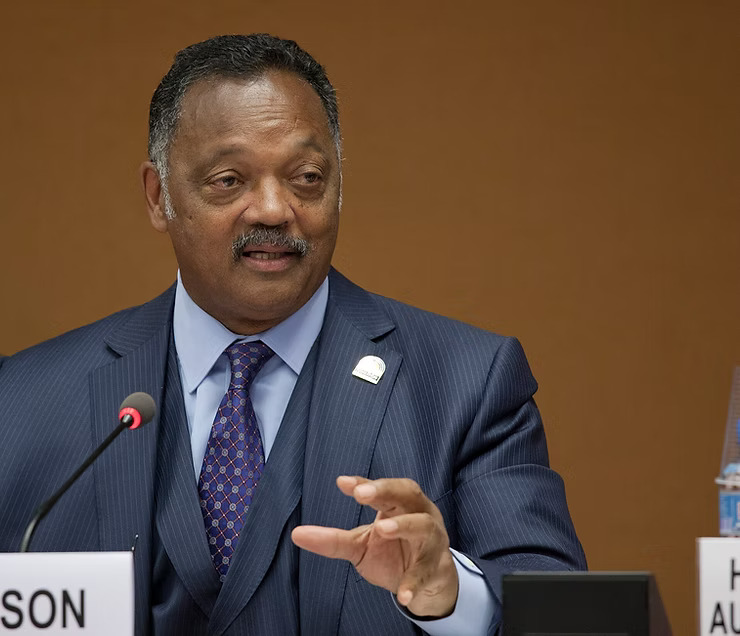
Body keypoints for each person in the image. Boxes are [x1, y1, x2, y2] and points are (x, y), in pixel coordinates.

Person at [0, 34, 586, 635]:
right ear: (159, 197)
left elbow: (566, 615)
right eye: (229, 180)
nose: (274, 210)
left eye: (306, 177)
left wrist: (453, 594)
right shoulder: (19, 401)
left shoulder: (467, 383)